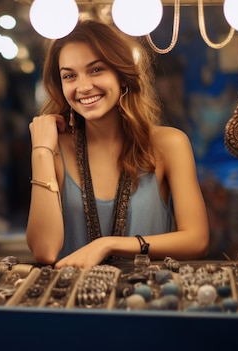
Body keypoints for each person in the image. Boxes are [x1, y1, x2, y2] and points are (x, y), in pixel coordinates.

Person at [26, 20, 209, 269]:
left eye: (96, 70)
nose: (83, 87)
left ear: (121, 75)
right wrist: (41, 151)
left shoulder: (169, 145)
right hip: (71, 302)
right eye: (69, 76)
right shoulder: (53, 149)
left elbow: (196, 240)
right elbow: (45, 252)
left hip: (149, 300)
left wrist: (107, 244)